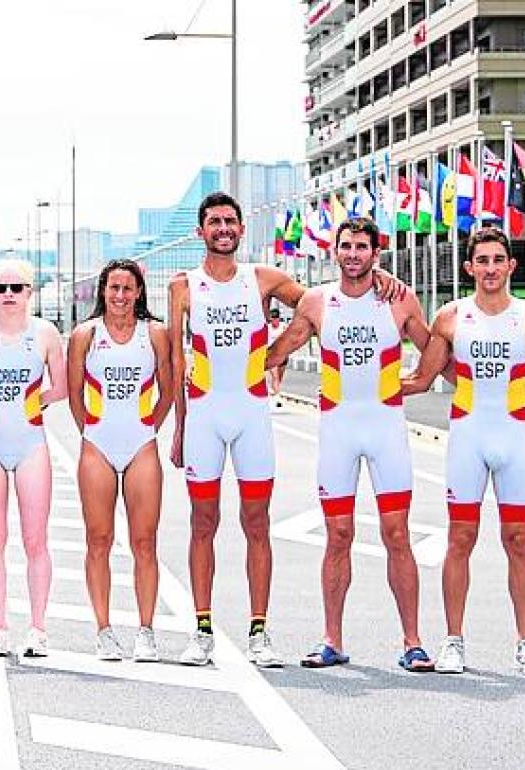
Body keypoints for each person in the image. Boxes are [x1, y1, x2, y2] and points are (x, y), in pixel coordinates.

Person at [167, 191, 403, 668]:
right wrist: (179, 425)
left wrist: (376, 278)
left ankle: (260, 631)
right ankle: (203, 629)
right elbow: (175, 357)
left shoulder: (265, 279)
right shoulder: (183, 286)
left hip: (253, 416)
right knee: (202, 524)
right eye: (214, 222)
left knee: (257, 523)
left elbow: (324, 306)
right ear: (201, 232)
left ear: (240, 228)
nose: (224, 228)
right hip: (205, 415)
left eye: (231, 221)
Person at [265, 217, 434, 671]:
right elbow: (282, 347)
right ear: (335, 251)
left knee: (397, 534)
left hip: (385, 430)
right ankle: (331, 640)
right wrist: (248, 366)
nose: (354, 254)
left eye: (362, 247)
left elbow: (436, 347)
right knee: (338, 536)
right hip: (338, 432)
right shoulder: (319, 301)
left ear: (375, 253)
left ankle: (413, 642)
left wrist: (420, 382)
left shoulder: (398, 298)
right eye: (347, 246)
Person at [402, 227, 525, 676]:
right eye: (483, 261)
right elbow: (420, 380)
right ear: (469, 267)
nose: (490, 269)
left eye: (499, 260)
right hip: (468, 438)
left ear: (511, 266)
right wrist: (365, 390)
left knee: (518, 542)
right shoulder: (451, 317)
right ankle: (453, 642)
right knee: (460, 539)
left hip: (514, 439)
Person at [66, 259, 174, 661]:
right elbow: (75, 395)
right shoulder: (85, 335)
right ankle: (104, 630)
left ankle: (146, 631)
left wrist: (151, 429)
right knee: (99, 540)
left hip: (142, 444)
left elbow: (168, 390)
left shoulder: (156, 334)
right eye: (114, 288)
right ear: (103, 291)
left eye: (128, 289)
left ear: (139, 292)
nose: (121, 296)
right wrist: (90, 433)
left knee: (144, 542)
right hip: (97, 444)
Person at [0, 259, 67, 657]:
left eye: (16, 288)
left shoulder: (45, 334)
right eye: (1, 288)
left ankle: (38, 629)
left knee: (35, 539)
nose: (9, 295)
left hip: (31, 444)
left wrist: (35, 399)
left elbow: (61, 388)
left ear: (30, 292)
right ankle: (0, 628)